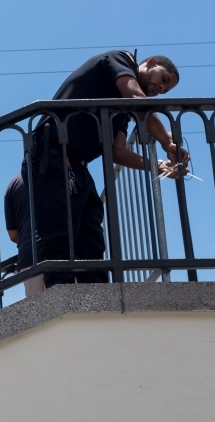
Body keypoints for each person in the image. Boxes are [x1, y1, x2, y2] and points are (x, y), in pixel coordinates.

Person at [23, 51, 187, 287]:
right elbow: (136, 97)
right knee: (57, 235)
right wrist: (167, 142)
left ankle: (98, 300)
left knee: (92, 238)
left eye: (166, 89)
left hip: (77, 165)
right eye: (163, 79)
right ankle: (61, 301)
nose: (161, 89)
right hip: (50, 153)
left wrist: (159, 165)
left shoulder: (123, 109)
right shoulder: (119, 60)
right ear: (150, 63)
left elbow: (117, 152)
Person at [3, 173, 44, 297]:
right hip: (63, 252)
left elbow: (13, 235)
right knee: (69, 309)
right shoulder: (60, 171)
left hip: (30, 254)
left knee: (38, 312)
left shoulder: (13, 184)